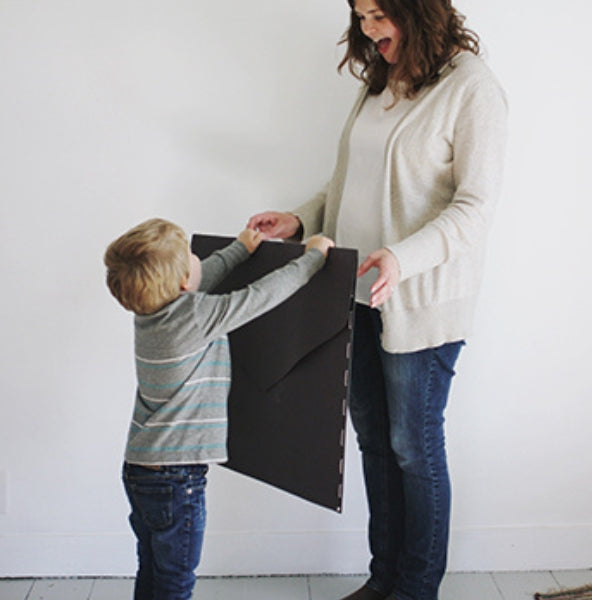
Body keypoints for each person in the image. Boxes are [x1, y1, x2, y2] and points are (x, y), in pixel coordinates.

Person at [247, 0, 508, 598]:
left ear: (417, 11)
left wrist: (401, 257)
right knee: (372, 441)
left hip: (419, 301)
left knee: (413, 448)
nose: (368, 29)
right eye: (360, 15)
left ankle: (416, 589)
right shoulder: (381, 82)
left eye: (379, 14)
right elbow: (346, 183)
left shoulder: (473, 89)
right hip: (352, 294)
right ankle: (382, 580)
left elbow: (475, 207)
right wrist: (298, 218)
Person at [103, 218, 334, 600]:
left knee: (154, 569)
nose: (198, 258)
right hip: (177, 480)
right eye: (190, 256)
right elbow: (260, 296)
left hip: (141, 470)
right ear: (180, 283)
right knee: (177, 580)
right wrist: (312, 258)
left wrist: (240, 249)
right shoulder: (194, 316)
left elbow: (197, 277)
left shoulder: (149, 313)